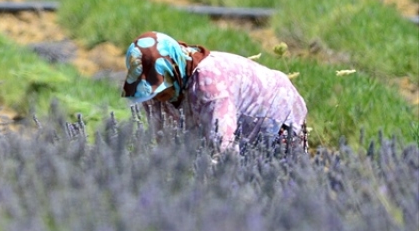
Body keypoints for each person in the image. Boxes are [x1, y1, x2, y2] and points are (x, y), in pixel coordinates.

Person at [122, 31, 308, 152]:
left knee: (281, 179)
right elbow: (166, 143)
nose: (158, 98)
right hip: (239, 123)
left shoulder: (209, 85)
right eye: (153, 93)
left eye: (162, 90)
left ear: (174, 72)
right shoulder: (153, 91)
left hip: (275, 112)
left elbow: (223, 148)